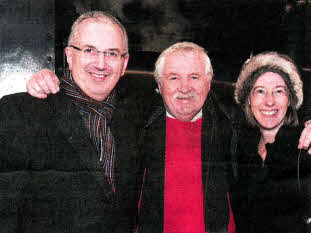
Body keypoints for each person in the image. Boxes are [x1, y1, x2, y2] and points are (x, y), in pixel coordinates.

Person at [0, 11, 141, 233]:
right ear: (69, 55)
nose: (101, 63)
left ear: (125, 64)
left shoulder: (135, 119)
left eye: (112, 53)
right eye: (89, 50)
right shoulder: (20, 111)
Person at [136, 42, 236, 233]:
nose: (185, 87)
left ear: (208, 83)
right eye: (174, 77)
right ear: (160, 85)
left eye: (194, 77)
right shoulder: (136, 126)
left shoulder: (231, 126)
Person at [230, 51, 311, 233]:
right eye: (260, 91)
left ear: (290, 99)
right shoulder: (239, 151)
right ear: (248, 100)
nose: (269, 101)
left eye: (278, 91)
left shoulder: (304, 147)